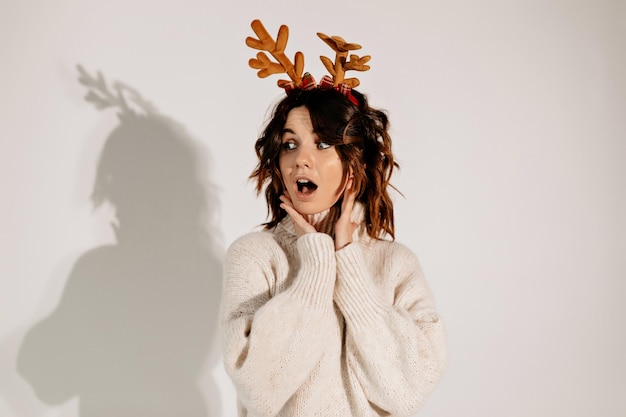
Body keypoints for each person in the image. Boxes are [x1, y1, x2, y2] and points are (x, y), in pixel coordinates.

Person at [219, 20, 446, 417]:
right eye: (290, 144)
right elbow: (258, 387)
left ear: (353, 166)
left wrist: (346, 256)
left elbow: (404, 391)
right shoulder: (254, 256)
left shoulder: (396, 265)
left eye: (322, 143)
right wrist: (317, 262)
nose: (300, 158)